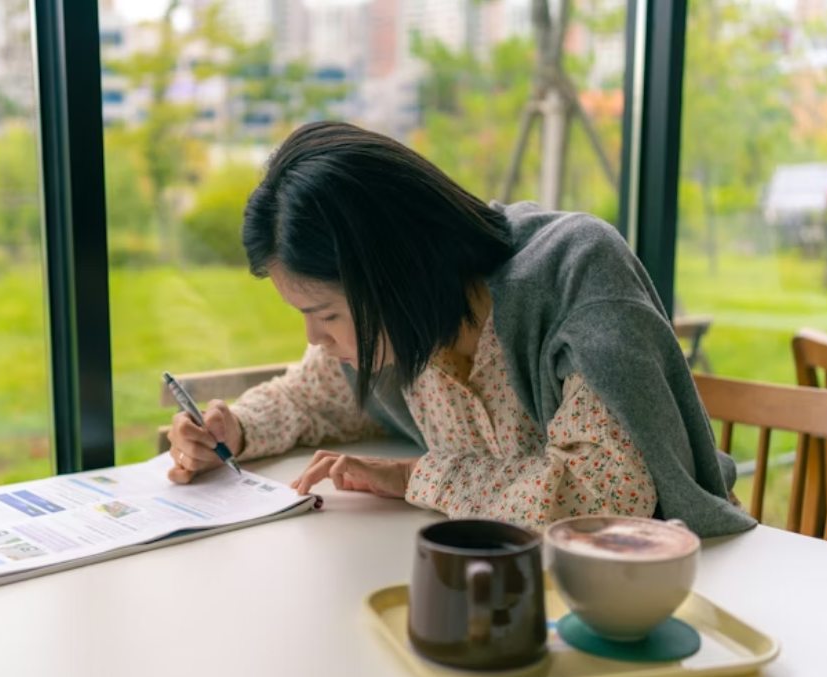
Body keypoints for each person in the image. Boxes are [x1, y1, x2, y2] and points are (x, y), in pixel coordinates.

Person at [165, 121, 755, 537]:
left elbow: (602, 493)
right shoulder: (408, 330)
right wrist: (234, 429)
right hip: (516, 584)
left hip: (669, 587)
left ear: (394, 276)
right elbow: (312, 396)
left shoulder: (574, 270)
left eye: (326, 315)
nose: (316, 339)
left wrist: (416, 477)